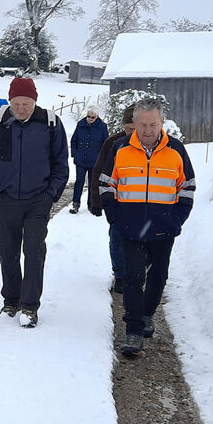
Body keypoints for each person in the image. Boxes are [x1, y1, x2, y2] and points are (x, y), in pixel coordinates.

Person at [99, 98, 195, 357]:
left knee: (158, 276)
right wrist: (115, 217)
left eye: (152, 124)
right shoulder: (121, 149)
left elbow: (187, 187)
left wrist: (177, 219)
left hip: (163, 228)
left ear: (162, 122)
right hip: (129, 227)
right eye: (142, 124)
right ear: (135, 124)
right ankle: (133, 328)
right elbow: (107, 184)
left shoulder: (176, 150)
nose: (147, 130)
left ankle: (148, 314)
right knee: (132, 277)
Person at [0, 77, 69, 328]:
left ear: (34, 101)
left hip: (37, 200)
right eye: (16, 102)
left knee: (34, 252)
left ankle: (29, 306)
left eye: (26, 103)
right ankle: (11, 300)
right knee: (7, 252)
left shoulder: (49, 123)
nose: (21, 108)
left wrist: (50, 195)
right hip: (5, 200)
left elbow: (61, 164)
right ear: (10, 101)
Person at [89, 104, 136, 293]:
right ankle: (120, 275)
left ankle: (138, 273)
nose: (132, 133)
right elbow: (99, 171)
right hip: (117, 201)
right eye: (128, 129)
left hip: (145, 202)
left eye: (135, 128)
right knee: (116, 238)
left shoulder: (153, 143)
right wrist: (96, 200)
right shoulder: (113, 143)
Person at [69, 107, 109, 214]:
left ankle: (91, 204)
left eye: (93, 117)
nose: (90, 119)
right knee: (79, 182)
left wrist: (102, 158)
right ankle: (75, 203)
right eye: (88, 116)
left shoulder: (102, 127)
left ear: (97, 117)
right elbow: (74, 140)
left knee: (93, 183)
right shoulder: (80, 124)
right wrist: (75, 153)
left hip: (95, 161)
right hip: (81, 159)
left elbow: (106, 144)